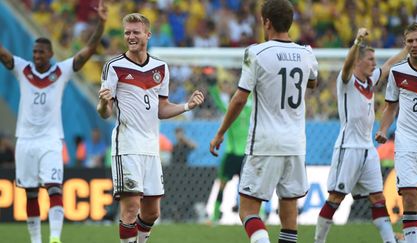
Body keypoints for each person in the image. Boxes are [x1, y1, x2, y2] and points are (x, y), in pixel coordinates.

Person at [210, 0, 318, 242]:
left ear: (266, 22)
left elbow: (239, 99)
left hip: (265, 142)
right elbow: (312, 82)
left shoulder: (256, 53)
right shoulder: (306, 54)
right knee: (289, 209)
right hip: (295, 143)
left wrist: (220, 132)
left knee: (248, 209)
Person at [0, 1, 107, 242]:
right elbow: (3, 53)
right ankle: (36, 240)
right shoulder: (22, 69)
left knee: (54, 188)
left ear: (50, 54)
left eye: (41, 52)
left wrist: (101, 24)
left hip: (50, 140)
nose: (37, 55)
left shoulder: (61, 71)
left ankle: (55, 238)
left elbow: (88, 51)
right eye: (35, 52)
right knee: (30, 194)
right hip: (25, 141)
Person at [97, 13, 204, 243]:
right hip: (126, 145)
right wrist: (103, 103)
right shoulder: (114, 67)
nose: (131, 36)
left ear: (148, 34)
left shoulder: (161, 68)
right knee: (131, 207)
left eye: (136, 32)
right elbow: (106, 113)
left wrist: (186, 106)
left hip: (151, 146)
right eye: (127, 32)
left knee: (152, 212)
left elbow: (161, 109)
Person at [313, 27, 409, 243]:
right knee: (336, 198)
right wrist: (356, 42)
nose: (374, 63)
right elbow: (347, 65)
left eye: (374, 59)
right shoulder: (345, 80)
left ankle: (389, 241)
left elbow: (387, 67)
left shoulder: (369, 81)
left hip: (368, 149)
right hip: (348, 148)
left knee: (377, 197)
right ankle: (318, 241)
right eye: (370, 59)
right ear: (358, 61)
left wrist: (406, 50)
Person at [375, 22, 417, 243]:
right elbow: (391, 107)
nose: (414, 44)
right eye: (410, 41)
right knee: (408, 195)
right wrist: (382, 129)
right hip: (406, 140)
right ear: (405, 45)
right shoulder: (397, 72)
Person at [209, 78, 251, 222]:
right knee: (250, 189)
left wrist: (213, 86)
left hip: (233, 154)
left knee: (222, 185)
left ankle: (215, 215)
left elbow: (218, 101)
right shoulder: (251, 108)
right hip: (246, 155)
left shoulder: (231, 110)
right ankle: (260, 215)